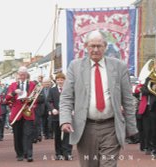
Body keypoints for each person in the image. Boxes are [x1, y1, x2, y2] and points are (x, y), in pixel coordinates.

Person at [59, 30, 138, 167]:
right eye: (92, 46)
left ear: (105, 46)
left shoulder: (119, 66)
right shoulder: (75, 67)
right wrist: (65, 120)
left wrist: (132, 127)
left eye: (99, 46)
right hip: (85, 127)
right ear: (86, 47)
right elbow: (66, 97)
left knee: (108, 164)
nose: (95, 50)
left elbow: (128, 100)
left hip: (111, 127)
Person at [6, 66, 37, 162]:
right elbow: (7, 98)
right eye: (20, 74)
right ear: (18, 75)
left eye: (24, 74)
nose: (22, 76)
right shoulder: (13, 85)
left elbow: (37, 98)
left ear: (27, 74)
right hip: (17, 113)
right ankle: (19, 154)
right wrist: (14, 93)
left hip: (28, 112)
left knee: (28, 134)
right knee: (17, 134)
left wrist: (31, 103)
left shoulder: (32, 84)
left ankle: (29, 154)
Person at [47, 73, 73, 160]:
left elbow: (73, 100)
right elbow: (48, 101)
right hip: (56, 116)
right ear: (56, 81)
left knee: (67, 135)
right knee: (57, 135)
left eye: (62, 80)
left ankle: (68, 152)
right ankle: (58, 153)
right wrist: (52, 109)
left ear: (64, 80)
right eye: (58, 80)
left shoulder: (69, 89)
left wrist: (73, 109)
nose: (60, 81)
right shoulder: (52, 90)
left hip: (67, 116)